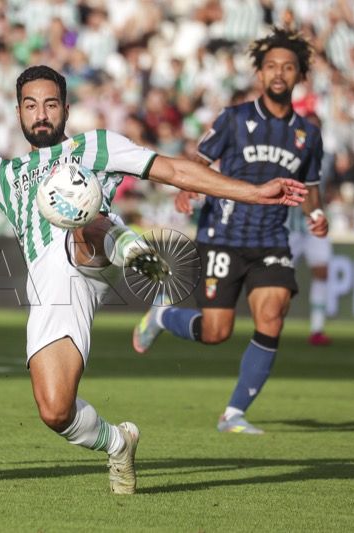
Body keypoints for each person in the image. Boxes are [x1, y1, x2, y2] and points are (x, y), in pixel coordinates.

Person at [0, 65, 307, 494]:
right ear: (18, 112)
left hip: (94, 253)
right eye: (31, 105)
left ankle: (128, 246)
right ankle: (118, 442)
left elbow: (172, 170)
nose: (41, 113)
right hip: (53, 291)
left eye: (51, 104)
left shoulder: (97, 146)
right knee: (55, 410)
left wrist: (252, 191)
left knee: (83, 211)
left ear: (66, 109)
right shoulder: (5, 174)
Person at [133, 27, 328, 434]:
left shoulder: (308, 134)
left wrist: (315, 214)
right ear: (259, 73)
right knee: (217, 332)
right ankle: (164, 317)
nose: (279, 73)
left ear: (298, 76)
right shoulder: (235, 119)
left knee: (272, 315)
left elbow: (309, 188)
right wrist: (187, 188)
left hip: (271, 239)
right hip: (222, 235)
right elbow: (199, 160)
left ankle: (234, 413)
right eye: (271, 66)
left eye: (288, 67)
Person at [287, 205, 333, 345]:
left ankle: (317, 329)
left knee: (322, 273)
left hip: (315, 228)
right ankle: (269, 322)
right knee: (279, 275)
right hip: (289, 228)